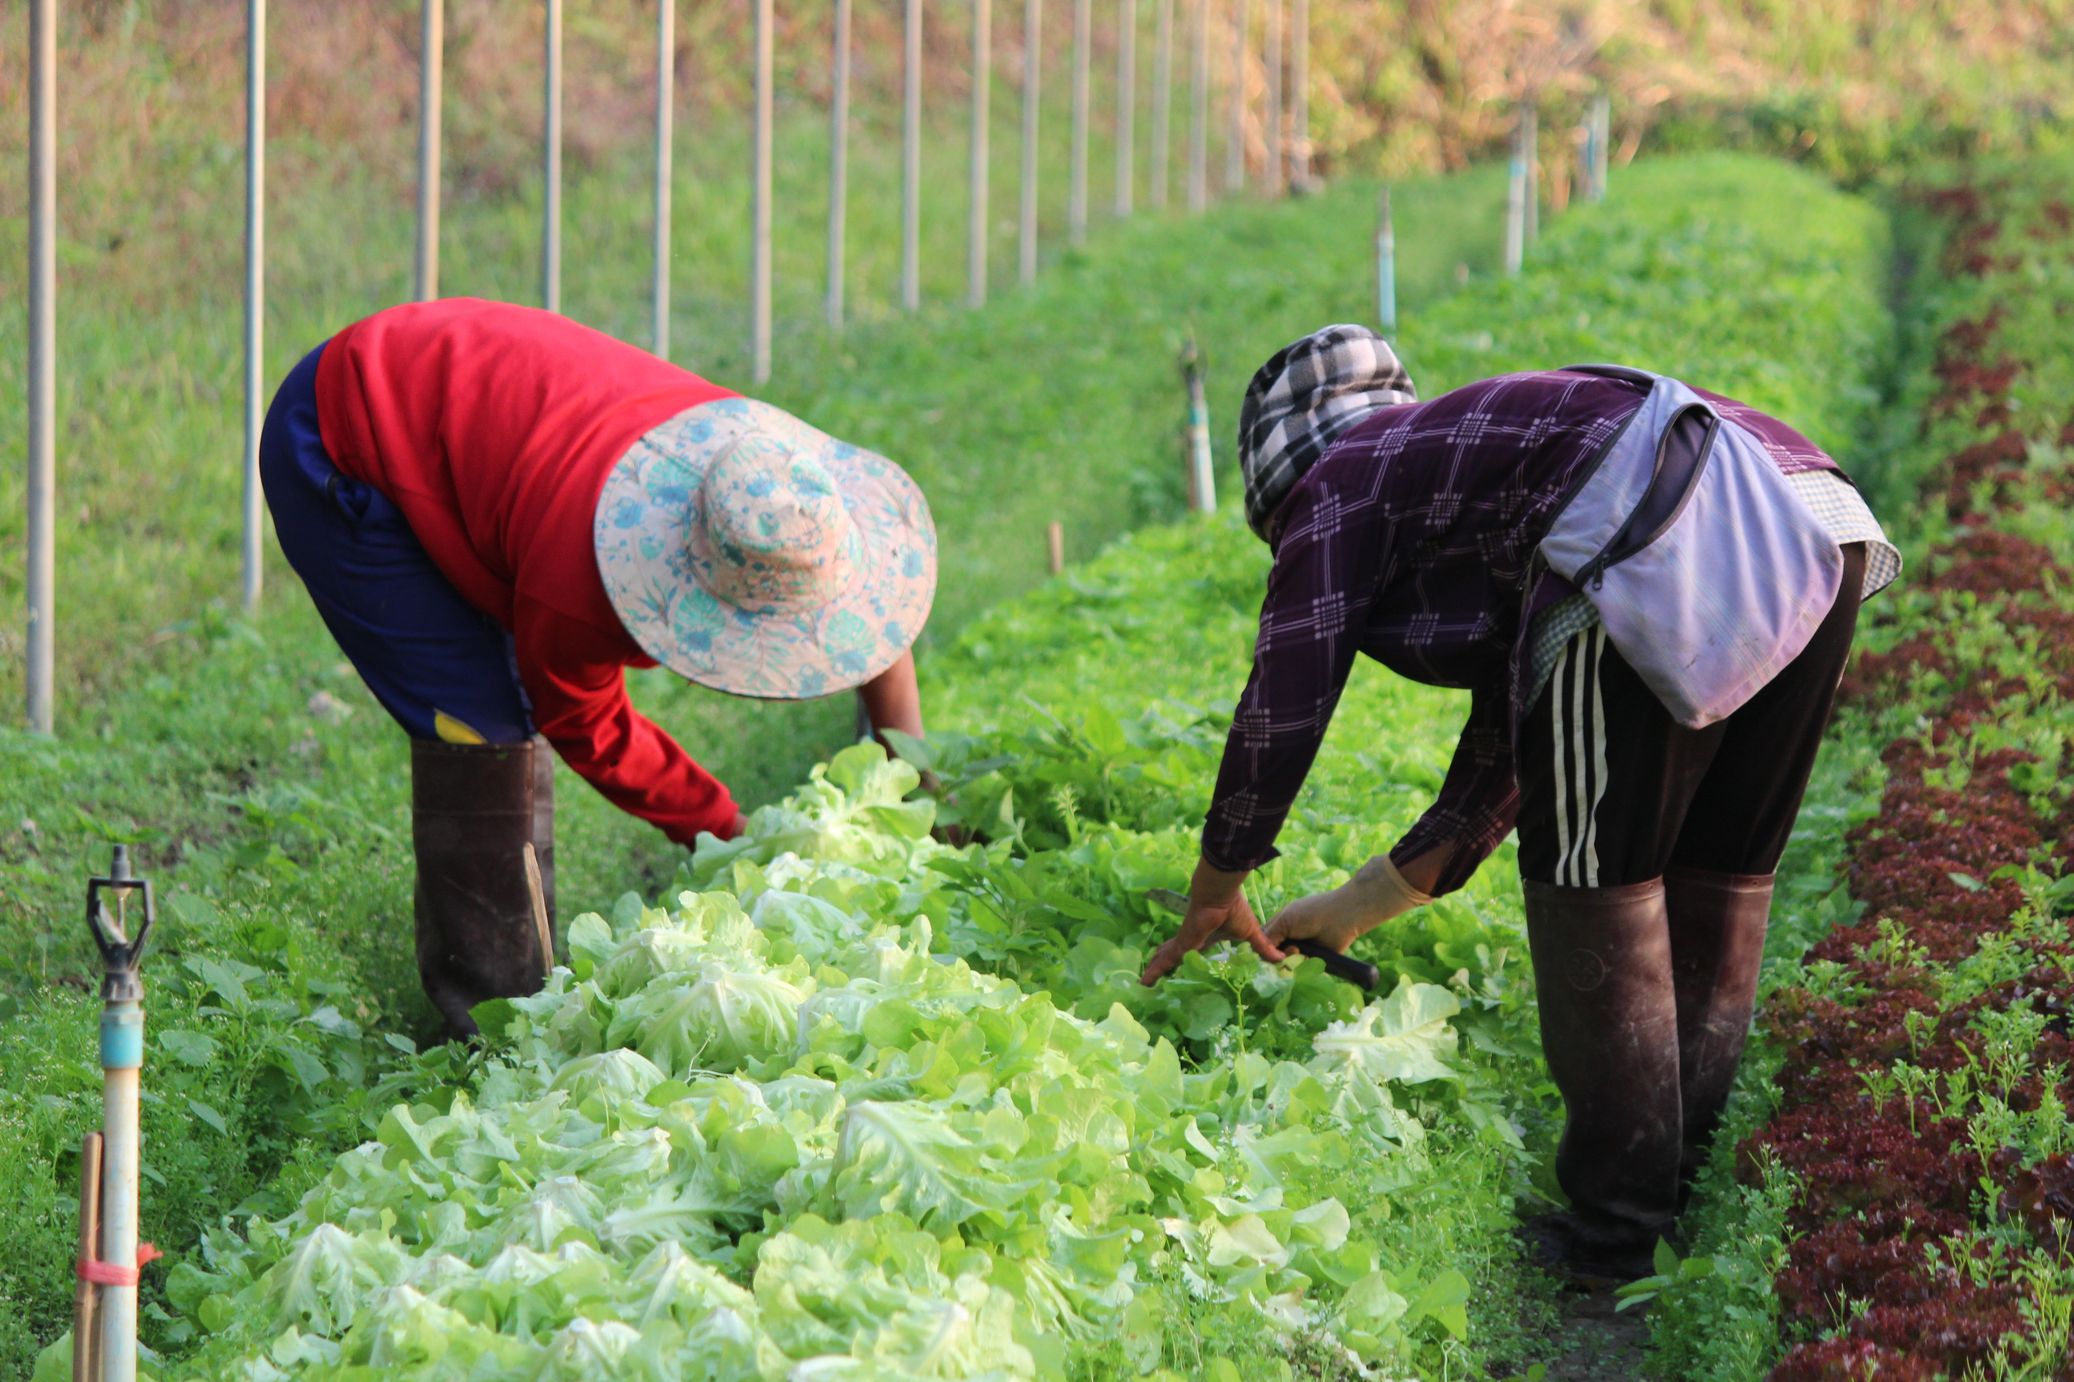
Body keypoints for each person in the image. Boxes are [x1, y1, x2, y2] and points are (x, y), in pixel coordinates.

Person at [1139, 325, 1898, 1282]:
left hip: (1660, 525)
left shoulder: (1339, 480)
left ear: (1280, 477)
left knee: (1595, 874)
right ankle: (1681, 1196)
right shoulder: (1462, 465)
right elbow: (1517, 734)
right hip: (1817, 518)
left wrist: (1218, 882)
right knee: (1719, 866)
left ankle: (1615, 1239)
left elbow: (1286, 699)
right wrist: (1353, 907)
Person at [260, 298, 937, 1038]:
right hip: (339, 439)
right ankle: (497, 1014)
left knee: (500, 657)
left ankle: (509, 999)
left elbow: (868, 607)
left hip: (463, 394)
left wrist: (912, 780)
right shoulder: (582, 585)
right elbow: (588, 727)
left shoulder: (774, 476)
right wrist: (728, 835)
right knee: (480, 724)